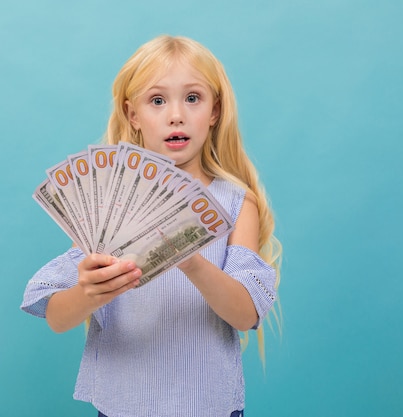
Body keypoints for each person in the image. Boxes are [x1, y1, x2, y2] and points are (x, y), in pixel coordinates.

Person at [21, 34, 282, 417]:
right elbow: (58, 319)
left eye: (192, 98)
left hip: (208, 405)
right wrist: (89, 293)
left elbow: (245, 315)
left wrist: (190, 258)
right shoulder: (108, 205)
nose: (176, 115)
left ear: (214, 111)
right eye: (157, 101)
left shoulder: (236, 204)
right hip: (123, 404)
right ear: (133, 115)